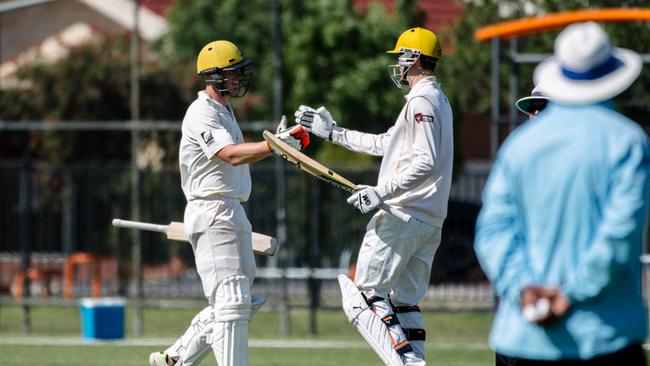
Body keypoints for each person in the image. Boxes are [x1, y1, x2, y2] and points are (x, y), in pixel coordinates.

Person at [474, 21, 649, 366]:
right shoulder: (627, 141)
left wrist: (524, 290)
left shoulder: (519, 145)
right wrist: (571, 291)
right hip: (604, 334)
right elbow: (620, 234)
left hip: (524, 333)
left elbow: (493, 231)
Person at [295, 27, 454, 366]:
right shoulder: (437, 99)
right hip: (428, 220)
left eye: (401, 58)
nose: (397, 65)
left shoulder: (421, 101)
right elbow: (386, 144)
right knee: (403, 304)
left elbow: (424, 162)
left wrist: (382, 192)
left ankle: (406, 364)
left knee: (363, 296)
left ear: (413, 60)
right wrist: (333, 133)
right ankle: (415, 360)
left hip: (403, 215)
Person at [149, 40, 309, 366]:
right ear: (212, 75)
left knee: (241, 301)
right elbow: (230, 155)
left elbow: (239, 155)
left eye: (239, 72)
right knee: (232, 300)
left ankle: (176, 358)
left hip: (231, 210)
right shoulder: (201, 113)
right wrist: (275, 145)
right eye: (232, 73)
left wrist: (277, 143)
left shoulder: (225, 111)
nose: (237, 78)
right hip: (211, 211)